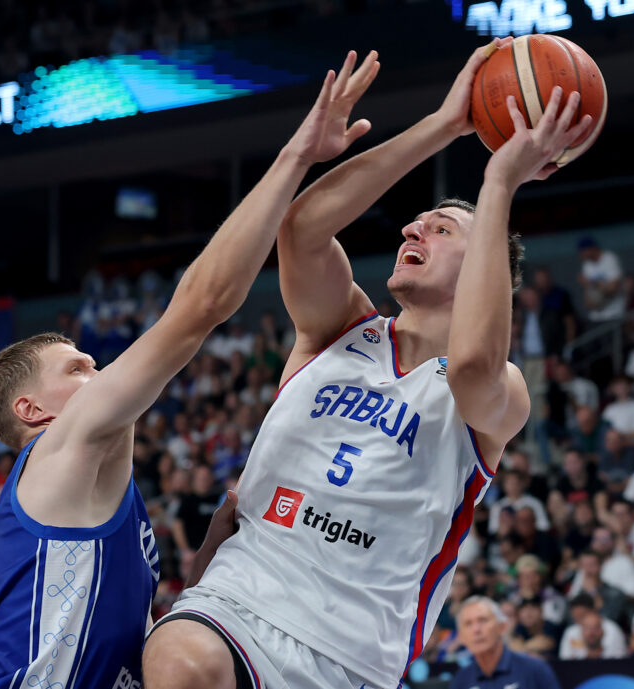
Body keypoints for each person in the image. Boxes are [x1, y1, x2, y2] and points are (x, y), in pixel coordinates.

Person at [144, 40, 593, 689]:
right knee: (182, 663)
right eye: (415, 224)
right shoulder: (339, 327)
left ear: (486, 264)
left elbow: (472, 366)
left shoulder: (503, 390)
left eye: (441, 229)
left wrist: (500, 182)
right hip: (241, 598)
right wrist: (445, 123)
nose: (412, 231)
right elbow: (302, 230)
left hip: (352, 654)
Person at [0, 50, 382, 689]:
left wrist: (210, 555)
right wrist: (297, 155)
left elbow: (126, 646)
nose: (100, 373)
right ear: (33, 411)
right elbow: (202, 305)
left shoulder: (99, 496)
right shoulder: (58, 451)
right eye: (77, 369)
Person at [448, 598, 561, 689]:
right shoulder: (461, 681)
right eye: (468, 624)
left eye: (483, 620)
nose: (476, 629)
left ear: (502, 627)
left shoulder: (535, 669)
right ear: (461, 637)